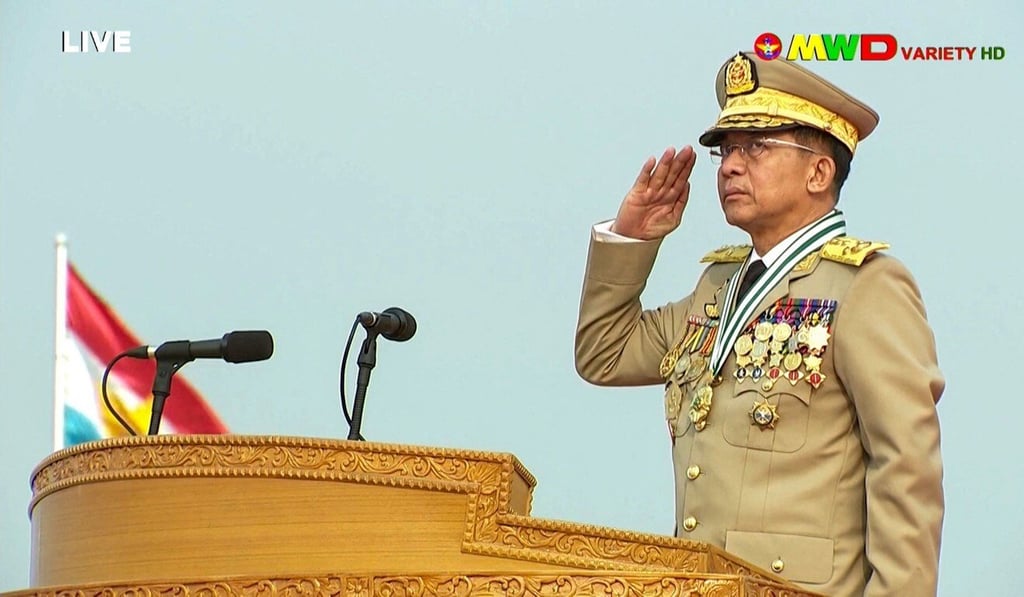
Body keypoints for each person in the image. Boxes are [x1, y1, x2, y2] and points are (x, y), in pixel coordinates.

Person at [574, 51, 944, 596]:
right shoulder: (718, 287)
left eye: (757, 147)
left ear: (820, 172)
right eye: (726, 150)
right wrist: (633, 237)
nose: (729, 165)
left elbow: (905, 471)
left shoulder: (866, 287)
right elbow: (604, 355)